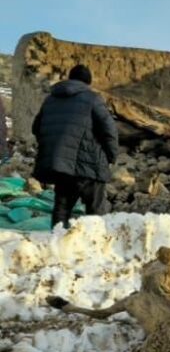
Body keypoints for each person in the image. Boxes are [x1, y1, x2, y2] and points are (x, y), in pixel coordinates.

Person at [32, 64, 119, 229]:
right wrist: (112, 155)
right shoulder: (93, 98)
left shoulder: (50, 99)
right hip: (90, 165)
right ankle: (96, 246)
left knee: (62, 209)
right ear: (88, 82)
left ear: (70, 78)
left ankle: (57, 245)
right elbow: (109, 130)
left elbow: (36, 128)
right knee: (95, 211)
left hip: (61, 166)